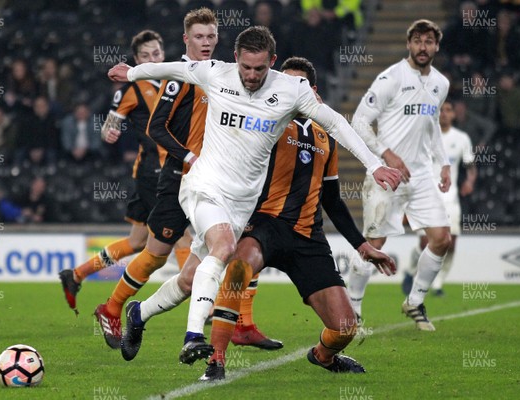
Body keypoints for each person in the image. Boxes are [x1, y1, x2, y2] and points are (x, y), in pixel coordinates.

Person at [109, 26, 401, 363]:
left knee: (191, 280)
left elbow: (335, 123)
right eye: (246, 67)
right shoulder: (216, 72)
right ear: (236, 59)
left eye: (259, 69)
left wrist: (374, 165)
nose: (250, 75)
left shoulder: (291, 90)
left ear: (272, 62)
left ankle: (139, 314)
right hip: (204, 186)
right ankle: (193, 338)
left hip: (241, 203)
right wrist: (132, 72)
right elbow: (172, 67)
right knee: (224, 248)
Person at [201, 57, 396, 380]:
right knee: (237, 269)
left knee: (346, 328)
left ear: (313, 91)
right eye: (282, 83)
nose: (288, 91)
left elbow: (331, 199)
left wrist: (362, 246)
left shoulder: (325, 135)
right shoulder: (264, 120)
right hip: (265, 224)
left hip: (308, 236)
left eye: (298, 85)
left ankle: (322, 356)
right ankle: (216, 360)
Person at [100, 8, 279, 357]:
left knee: (232, 248)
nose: (207, 42)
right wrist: (187, 156)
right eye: (199, 37)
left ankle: (239, 323)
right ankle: (113, 307)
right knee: (154, 254)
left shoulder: (225, 76)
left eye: (211, 36)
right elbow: (155, 128)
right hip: (180, 177)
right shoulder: (180, 78)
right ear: (186, 39)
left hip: (219, 183)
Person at [58, 30, 188, 327]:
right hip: (154, 172)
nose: (153, 59)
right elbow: (108, 127)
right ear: (137, 60)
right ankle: (197, 302)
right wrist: (110, 132)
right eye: (146, 56)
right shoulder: (130, 88)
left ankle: (76, 274)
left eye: (156, 53)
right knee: (181, 233)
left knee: (137, 241)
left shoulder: (176, 78)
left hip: (167, 169)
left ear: (162, 52)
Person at [347, 19, 451, 331]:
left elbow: (431, 125)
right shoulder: (390, 77)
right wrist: (386, 153)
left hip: (419, 176)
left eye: (429, 41)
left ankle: (415, 301)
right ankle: (353, 308)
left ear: (436, 46)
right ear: (409, 44)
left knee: (442, 238)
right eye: (418, 40)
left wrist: (443, 162)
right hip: (386, 174)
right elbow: (360, 120)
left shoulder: (441, 83)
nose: (423, 47)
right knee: (373, 243)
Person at [403, 100, 477, 297]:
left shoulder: (462, 139)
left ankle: (438, 283)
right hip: (426, 197)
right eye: (441, 110)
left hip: (450, 198)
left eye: (448, 110)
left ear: (454, 115)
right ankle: (412, 271)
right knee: (425, 243)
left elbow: (470, 166)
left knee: (450, 244)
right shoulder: (425, 137)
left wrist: (469, 181)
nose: (444, 113)